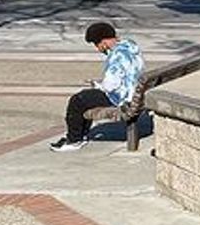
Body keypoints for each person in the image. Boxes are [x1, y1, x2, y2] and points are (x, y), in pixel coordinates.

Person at [50, 20, 145, 151]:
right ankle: (80, 135)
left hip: (122, 98)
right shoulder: (130, 46)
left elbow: (110, 86)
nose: (97, 48)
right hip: (134, 93)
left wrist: (99, 86)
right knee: (86, 97)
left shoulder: (116, 56)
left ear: (104, 42)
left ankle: (74, 140)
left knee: (78, 100)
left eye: (96, 44)